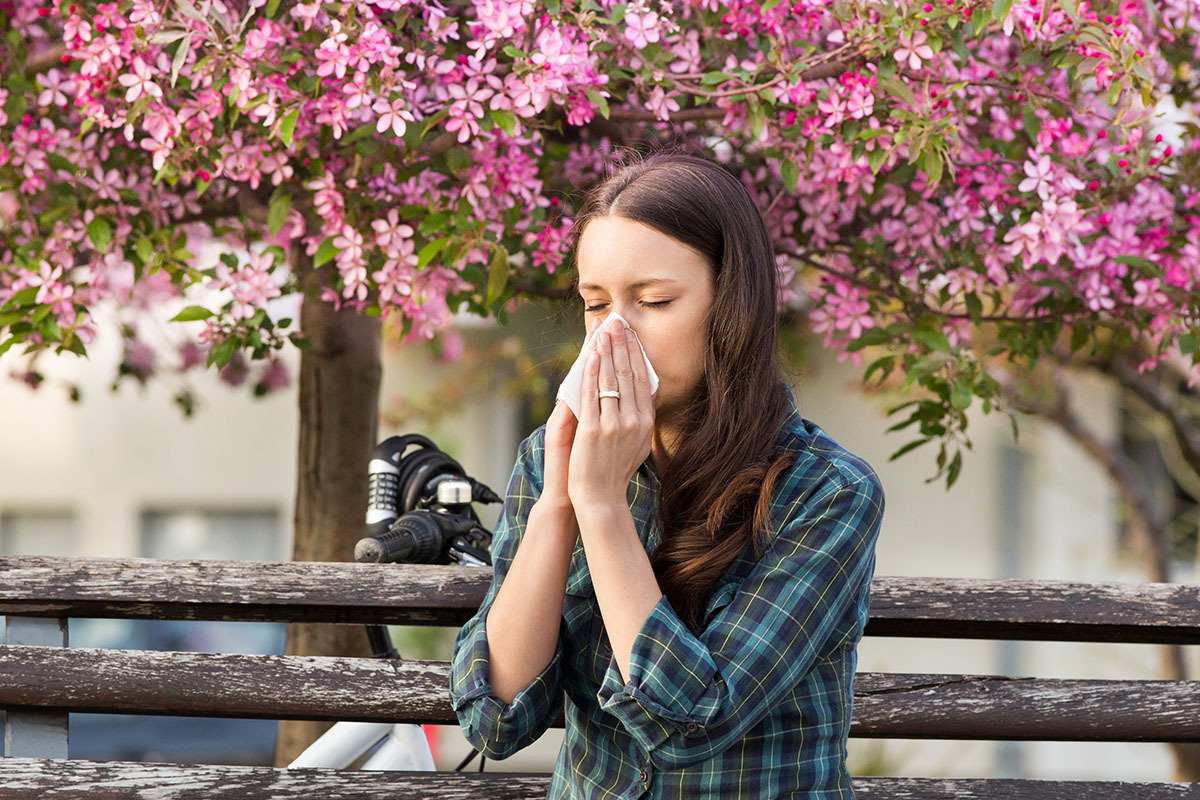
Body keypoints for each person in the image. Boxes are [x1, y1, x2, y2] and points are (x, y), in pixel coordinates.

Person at [450, 148, 885, 798]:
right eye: (596, 304)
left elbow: (691, 724)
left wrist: (602, 509)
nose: (614, 337)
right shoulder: (552, 458)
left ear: (731, 305)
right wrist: (561, 506)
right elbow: (494, 720)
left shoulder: (827, 492)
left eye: (653, 301)